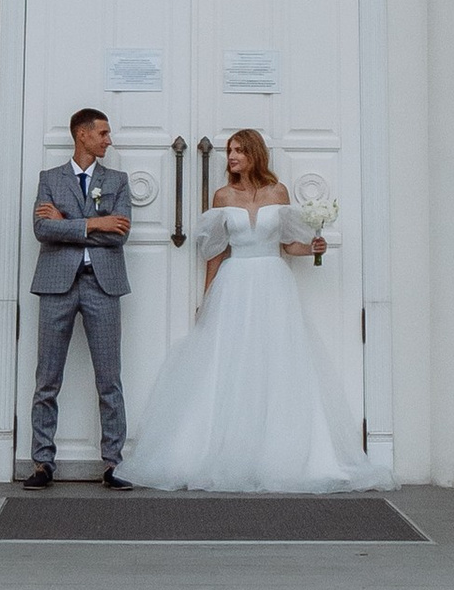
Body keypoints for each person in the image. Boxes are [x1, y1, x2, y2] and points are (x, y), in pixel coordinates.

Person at [120, 128, 374, 494]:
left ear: (255, 153)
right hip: (235, 283)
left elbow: (289, 245)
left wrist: (315, 247)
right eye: (230, 151)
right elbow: (216, 252)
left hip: (273, 283)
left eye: (239, 150)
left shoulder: (278, 193)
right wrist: (206, 300)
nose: (232, 157)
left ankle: (282, 453)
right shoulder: (223, 195)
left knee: (276, 363)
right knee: (230, 363)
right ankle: (218, 450)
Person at [24, 107, 130, 487]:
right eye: (103, 133)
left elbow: (119, 233)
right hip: (56, 284)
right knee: (47, 378)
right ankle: (42, 463)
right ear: (82, 135)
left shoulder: (116, 180)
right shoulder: (49, 178)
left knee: (109, 380)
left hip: (103, 285)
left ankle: (113, 464)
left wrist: (67, 221)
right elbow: (41, 228)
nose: (108, 140)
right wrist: (93, 222)